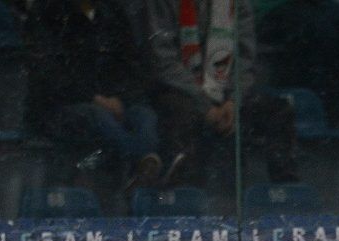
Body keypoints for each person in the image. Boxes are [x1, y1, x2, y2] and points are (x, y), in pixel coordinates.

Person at [145, 0, 298, 188]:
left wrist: (234, 100)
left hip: (226, 94)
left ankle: (287, 197)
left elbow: (244, 58)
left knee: (279, 111)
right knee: (181, 116)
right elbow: (164, 61)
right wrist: (205, 106)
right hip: (181, 90)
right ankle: (187, 199)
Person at [25, 0, 163, 188]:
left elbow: (131, 65)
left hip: (112, 102)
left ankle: (142, 169)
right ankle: (140, 164)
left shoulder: (112, 11)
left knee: (145, 116)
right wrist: (94, 98)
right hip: (58, 108)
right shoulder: (48, 12)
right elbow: (49, 75)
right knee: (97, 117)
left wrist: (121, 98)